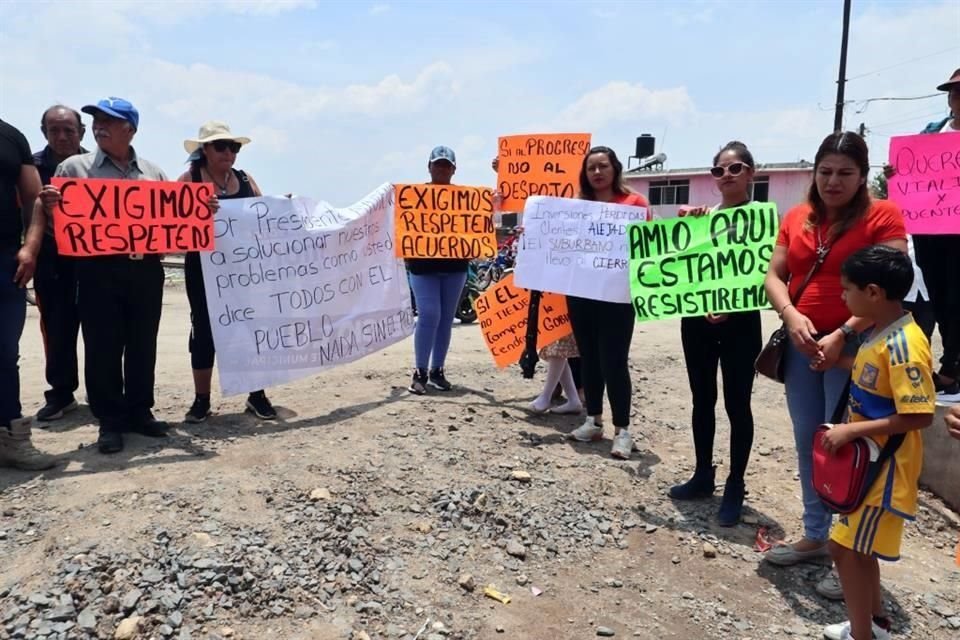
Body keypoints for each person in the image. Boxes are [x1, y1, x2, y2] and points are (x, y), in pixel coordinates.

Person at [763, 132, 907, 600]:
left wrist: (843, 331)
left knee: (853, 450)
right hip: (805, 350)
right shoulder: (796, 217)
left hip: (859, 352)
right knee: (811, 442)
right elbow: (775, 275)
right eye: (825, 171)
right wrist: (792, 315)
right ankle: (815, 535)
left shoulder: (882, 216)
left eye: (845, 172)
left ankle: (849, 552)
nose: (833, 181)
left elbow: (890, 284)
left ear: (863, 176)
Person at [39, 97, 218, 454]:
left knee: (142, 342)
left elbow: (177, 221)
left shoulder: (153, 173)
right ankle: (110, 420)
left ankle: (140, 411)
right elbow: (57, 224)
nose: (99, 125)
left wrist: (203, 210)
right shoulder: (74, 169)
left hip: (145, 269)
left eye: (109, 120)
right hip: (97, 271)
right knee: (102, 345)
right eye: (96, 120)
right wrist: (52, 206)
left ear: (130, 129)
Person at [819, 245, 935, 640]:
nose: (842, 297)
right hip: (869, 464)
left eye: (847, 289)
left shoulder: (906, 345)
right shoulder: (879, 331)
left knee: (844, 550)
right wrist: (836, 362)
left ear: (872, 292)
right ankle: (876, 623)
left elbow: (920, 413)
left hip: (885, 470)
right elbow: (873, 374)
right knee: (856, 549)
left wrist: (852, 431)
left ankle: (861, 634)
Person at [668, 141, 762, 527]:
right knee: (701, 399)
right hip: (696, 321)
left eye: (735, 168)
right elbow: (683, 267)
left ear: (751, 173)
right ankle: (703, 473)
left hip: (741, 322)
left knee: (737, 404)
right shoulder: (702, 220)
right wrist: (690, 225)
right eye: (719, 170)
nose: (726, 176)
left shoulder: (762, 220)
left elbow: (766, 272)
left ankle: (735, 484)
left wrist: (731, 304)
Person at [179, 121, 276, 422]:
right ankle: (201, 400)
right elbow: (174, 229)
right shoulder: (189, 180)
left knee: (249, 328)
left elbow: (264, 220)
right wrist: (197, 213)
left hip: (243, 272)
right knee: (204, 332)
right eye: (221, 146)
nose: (228, 152)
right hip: (203, 270)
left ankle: (256, 394)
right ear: (204, 150)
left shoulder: (246, 180)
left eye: (233, 147)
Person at [566, 146, 650, 459]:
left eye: (603, 166)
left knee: (614, 360)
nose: (598, 173)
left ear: (615, 168)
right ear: (585, 175)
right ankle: (593, 421)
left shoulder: (635, 204)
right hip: (581, 294)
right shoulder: (576, 207)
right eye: (591, 168)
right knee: (588, 357)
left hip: (618, 296)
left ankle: (623, 430)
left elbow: (647, 247)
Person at [0, 118, 57, 470]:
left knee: (5, 353)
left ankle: (12, 438)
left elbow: (36, 200)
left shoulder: (10, 137)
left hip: (5, 259)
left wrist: (30, 248)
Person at [32, 105, 88, 422]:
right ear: (44, 133)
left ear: (81, 132)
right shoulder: (32, 167)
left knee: (102, 329)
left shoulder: (95, 167)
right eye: (55, 130)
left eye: (69, 129)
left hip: (93, 261)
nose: (62, 135)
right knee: (56, 327)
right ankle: (61, 393)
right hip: (52, 258)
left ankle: (103, 391)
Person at [908, 69, 960, 403]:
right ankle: (945, 369)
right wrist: (898, 175)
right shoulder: (932, 132)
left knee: (958, 301)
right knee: (937, 299)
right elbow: (913, 170)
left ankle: (952, 368)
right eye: (953, 92)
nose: (956, 98)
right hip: (929, 232)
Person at [406, 146, 467, 395]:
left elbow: (480, 223)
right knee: (430, 314)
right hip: (422, 267)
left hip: (455, 266)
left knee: (446, 320)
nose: (442, 169)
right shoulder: (412, 196)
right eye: (437, 164)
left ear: (453, 169)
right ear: (429, 167)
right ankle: (420, 370)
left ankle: (437, 371)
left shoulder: (466, 199)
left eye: (446, 165)